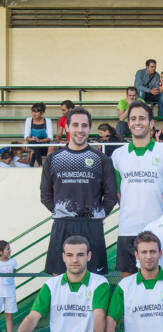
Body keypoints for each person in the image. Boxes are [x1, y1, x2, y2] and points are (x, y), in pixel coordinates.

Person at [41, 107, 117, 276]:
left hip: (92, 224)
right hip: (63, 223)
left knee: (94, 279)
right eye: (75, 125)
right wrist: (62, 211)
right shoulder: (53, 159)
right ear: (67, 127)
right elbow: (45, 194)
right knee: (59, 278)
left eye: (84, 125)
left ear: (89, 128)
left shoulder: (101, 159)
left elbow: (111, 195)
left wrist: (99, 214)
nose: (80, 130)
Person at [112, 101, 163, 277]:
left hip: (159, 228)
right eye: (133, 118)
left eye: (142, 118)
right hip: (128, 228)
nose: (137, 122)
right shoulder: (118, 155)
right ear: (128, 123)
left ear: (151, 123)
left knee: (161, 280)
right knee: (128, 282)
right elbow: (118, 194)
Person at [0, 240, 17, 332]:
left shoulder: (13, 262)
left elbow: (14, 273)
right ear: (1, 252)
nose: (10, 250)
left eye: (9, 248)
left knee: (9, 316)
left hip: (10, 292)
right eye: (7, 249)